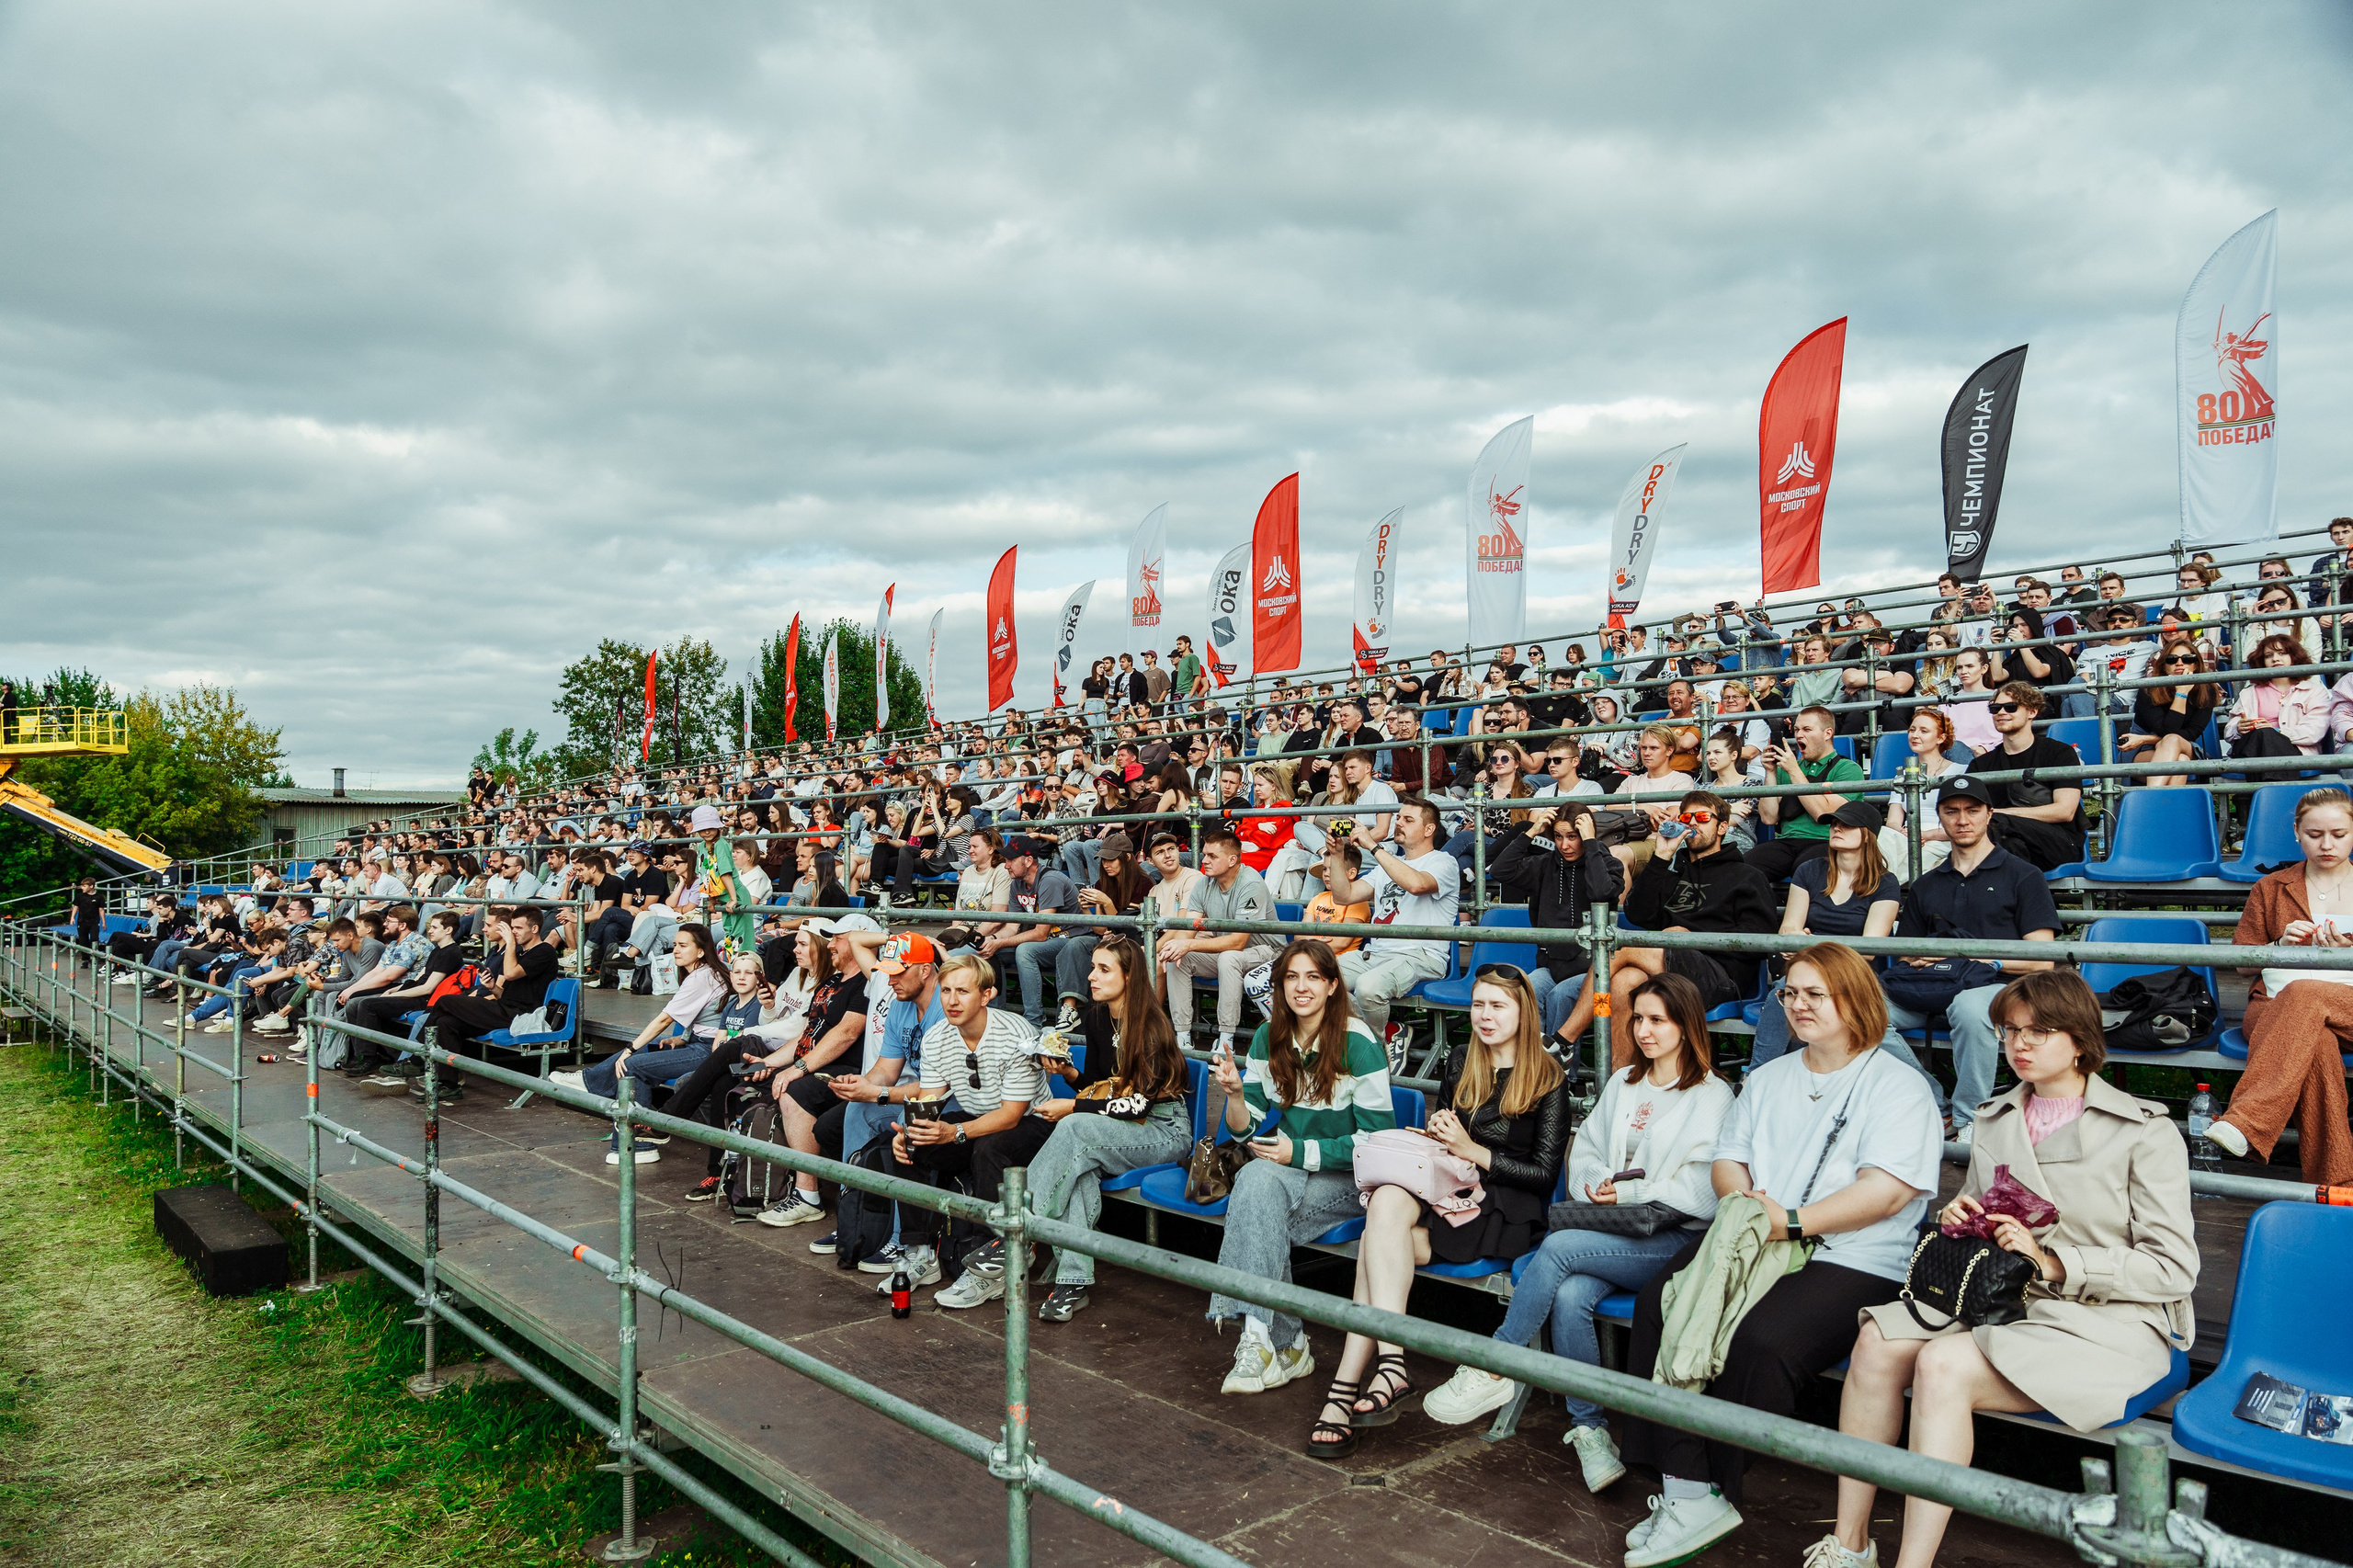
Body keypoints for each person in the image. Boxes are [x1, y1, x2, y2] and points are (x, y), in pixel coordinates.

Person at [1827, 970, 2196, 1568]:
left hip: (2112, 1320)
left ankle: (1911, 1565)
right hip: (2004, 1300)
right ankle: (1849, 1542)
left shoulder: (2144, 1132)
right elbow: (1985, 1223)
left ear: (2080, 1039)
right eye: (2010, 1030)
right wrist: (1960, 1217)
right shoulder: (1996, 1117)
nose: (2019, 1043)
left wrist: (2051, 1261)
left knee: (1942, 1365)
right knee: (1875, 1342)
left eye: (2040, 1031)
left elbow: (2172, 1270)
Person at [1615, 943, 1943, 1566]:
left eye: (1814, 994)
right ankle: (1684, 1490)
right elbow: (1727, 1160)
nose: (1797, 1005)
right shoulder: (1769, 1077)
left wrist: (1790, 1221)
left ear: (1855, 999)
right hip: (1755, 1235)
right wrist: (1744, 1203)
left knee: (1760, 1339)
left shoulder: (1898, 1086)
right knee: (1663, 1301)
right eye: (1790, 993)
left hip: (1853, 1255)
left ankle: (1716, 1484)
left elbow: (1888, 1190)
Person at [1421, 971, 1733, 1494]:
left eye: (1658, 1020)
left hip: (1677, 1240)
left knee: (1559, 1247)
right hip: (1610, 1227)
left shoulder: (1711, 1094)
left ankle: (1497, 1362)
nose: (1645, 1030)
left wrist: (1629, 1193)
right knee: (1568, 1296)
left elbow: (1704, 1187)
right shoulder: (1625, 1082)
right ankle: (1590, 1430)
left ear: (1687, 1025)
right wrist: (1598, 1186)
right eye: (1638, 1019)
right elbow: (1583, 1152)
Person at [1307, 964, 1569, 1458]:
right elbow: (1446, 1146)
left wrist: (1470, 1148)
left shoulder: (1548, 1078)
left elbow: (1544, 1176)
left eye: (1498, 1006)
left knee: (1373, 1244)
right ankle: (1390, 1364)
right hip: (1449, 1190)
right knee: (1384, 1201)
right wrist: (1436, 1137)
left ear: (1524, 1012)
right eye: (1478, 1005)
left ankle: (1345, 1392)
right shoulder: (1460, 1058)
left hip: (1504, 1207)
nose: (1485, 1016)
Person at [1204, 939, 1396, 1394]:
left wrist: (1301, 1153)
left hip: (1351, 1176)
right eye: (1291, 977)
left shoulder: (1360, 1042)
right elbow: (1245, 1130)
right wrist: (1234, 1095)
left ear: (1333, 985)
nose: (1301, 987)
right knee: (1257, 1188)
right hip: (1288, 1168)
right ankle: (1268, 1342)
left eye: (1313, 977)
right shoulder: (1268, 1037)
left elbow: (1377, 1144)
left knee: (1256, 1205)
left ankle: (1279, 1345)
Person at [1007, 937, 1196, 1322]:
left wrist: (1074, 1106)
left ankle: (1017, 1230)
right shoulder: (1096, 1017)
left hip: (1163, 1128)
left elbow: (1138, 1104)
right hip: (1118, 1126)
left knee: (1076, 1128)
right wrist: (1068, 1073)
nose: (1091, 977)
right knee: (1079, 1172)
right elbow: (1095, 1083)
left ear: (1129, 976)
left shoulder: (1152, 1026)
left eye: (1104, 969)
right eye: (1092, 967)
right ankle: (1073, 1283)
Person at [1883, 776, 2059, 1140]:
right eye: (1951, 811)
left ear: (1989, 815)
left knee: (1968, 1007)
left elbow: (2043, 962)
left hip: (2003, 988)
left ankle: (1969, 1121)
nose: (1962, 820)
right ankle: (1935, 1104)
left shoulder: (2023, 875)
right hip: (1936, 985)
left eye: (1972, 810)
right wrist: (1916, 961)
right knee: (1854, 1009)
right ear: (1941, 820)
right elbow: (1905, 954)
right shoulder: (1927, 884)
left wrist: (1988, 963)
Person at [877, 952, 1052, 1293]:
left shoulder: (1016, 1033)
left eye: (963, 992)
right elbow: (929, 1100)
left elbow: (1011, 1115)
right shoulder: (937, 1037)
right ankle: (920, 1254)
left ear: (986, 995)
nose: (952, 1001)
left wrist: (954, 1132)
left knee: (988, 1148)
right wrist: (911, 1132)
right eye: (945, 991)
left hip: (1035, 1123)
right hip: (976, 1118)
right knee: (913, 1144)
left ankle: (994, 1261)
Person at [1554, 791, 1774, 1062]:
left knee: (1623, 947)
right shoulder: (1672, 872)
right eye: (1686, 817)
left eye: (1703, 817)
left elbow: (1759, 940)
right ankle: (1618, 1082)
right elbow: (1637, 914)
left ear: (1722, 828)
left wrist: (1691, 938)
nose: (1693, 823)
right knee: (1624, 983)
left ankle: (1565, 1038)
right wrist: (1661, 856)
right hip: (1667, 965)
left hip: (1720, 977)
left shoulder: (1748, 877)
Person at [2204, 789, 2353, 1183]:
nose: (2326, 844)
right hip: (2274, 1007)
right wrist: (2277, 946)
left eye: (2339, 834)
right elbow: (2239, 965)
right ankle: (2337, 1186)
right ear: (2296, 833)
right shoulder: (2271, 888)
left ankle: (2247, 1122)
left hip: (2347, 1004)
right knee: (2315, 1042)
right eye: (2314, 834)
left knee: (2304, 992)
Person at [1749, 801, 1903, 1068]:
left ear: (1868, 834)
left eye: (1846, 824)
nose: (1836, 829)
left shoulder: (1884, 882)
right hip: (1808, 970)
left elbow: (1868, 949)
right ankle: (1759, 1078)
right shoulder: (1809, 870)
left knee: (1792, 996)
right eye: (1834, 824)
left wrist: (1811, 944)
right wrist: (1792, 938)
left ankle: (1757, 1077)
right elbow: (1789, 929)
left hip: (1854, 975)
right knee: (1785, 994)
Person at [1315, 797, 1460, 1071]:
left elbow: (1417, 884)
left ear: (1429, 830)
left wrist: (1372, 845)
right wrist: (1335, 856)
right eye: (1399, 817)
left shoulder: (1444, 861)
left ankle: (1374, 1051)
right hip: (1377, 954)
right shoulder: (1386, 865)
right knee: (1318, 977)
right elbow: (1344, 895)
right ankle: (1389, 1031)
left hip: (1421, 955)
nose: (1399, 823)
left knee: (1369, 987)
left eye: (1408, 819)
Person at [1491, 801, 1623, 1049]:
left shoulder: (1607, 864)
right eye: (1559, 836)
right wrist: (1530, 832)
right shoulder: (1545, 864)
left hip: (1595, 970)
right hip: (1552, 966)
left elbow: (1601, 893)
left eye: (1573, 836)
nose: (1565, 845)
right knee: (1524, 991)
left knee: (1560, 996)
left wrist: (1592, 843)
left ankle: (1561, 1077)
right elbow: (1500, 870)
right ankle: (1532, 1068)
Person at [419, 905, 563, 1103]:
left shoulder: (544, 951)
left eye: (518, 928)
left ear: (535, 929)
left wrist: (510, 943)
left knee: (445, 1001)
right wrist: (493, 987)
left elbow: (512, 974)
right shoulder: (521, 953)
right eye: (512, 928)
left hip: (518, 1015)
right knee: (445, 1022)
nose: (513, 932)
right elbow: (508, 993)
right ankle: (449, 1084)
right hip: (505, 1008)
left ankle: (416, 1056)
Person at [1159, 827, 1280, 1052]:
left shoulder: (1250, 883)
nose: (1204, 861)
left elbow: (1238, 942)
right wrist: (1179, 947)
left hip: (1268, 955)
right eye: (1204, 854)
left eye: (1212, 856)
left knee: (1228, 958)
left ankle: (1226, 1041)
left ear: (1232, 859)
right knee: (1178, 959)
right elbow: (1189, 929)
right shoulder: (1204, 883)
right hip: (1229, 954)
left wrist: (1189, 945)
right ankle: (1183, 1037)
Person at [1971, 682, 2086, 871]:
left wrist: (2000, 814)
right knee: (2010, 846)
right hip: (2007, 843)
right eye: (1995, 708)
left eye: (2011, 707)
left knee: (1996, 829)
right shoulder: (1981, 764)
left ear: (2032, 712)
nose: (2001, 712)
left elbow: (2065, 811)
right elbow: (1971, 813)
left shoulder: (2059, 752)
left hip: (2059, 843)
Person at [1747, 708, 1866, 881]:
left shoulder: (1848, 769)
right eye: (1796, 730)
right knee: (1745, 870)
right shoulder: (1786, 768)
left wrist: (1794, 770)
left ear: (1827, 733)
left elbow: (1823, 814)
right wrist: (1771, 772)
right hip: (1787, 841)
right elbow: (1769, 818)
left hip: (1825, 841)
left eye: (1807, 730)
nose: (1799, 735)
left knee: (1806, 871)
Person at [2120, 641, 2218, 788]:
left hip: (2185, 744)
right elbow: (2166, 731)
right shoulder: (2149, 689)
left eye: (2187, 658)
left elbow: (2191, 733)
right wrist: (2182, 693)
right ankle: (2168, 807)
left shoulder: (2207, 689)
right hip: (2143, 752)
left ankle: (2152, 794)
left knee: (2173, 741)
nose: (2180, 663)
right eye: (2172, 660)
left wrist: (2145, 739)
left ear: (2196, 664)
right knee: (2181, 760)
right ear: (2164, 666)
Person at [2222, 633, 2330, 758]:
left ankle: (2261, 776)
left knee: (2265, 734)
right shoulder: (2249, 693)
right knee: (2260, 736)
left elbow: (2314, 732)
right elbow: (2228, 732)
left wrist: (2276, 732)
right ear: (2262, 662)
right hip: (2251, 747)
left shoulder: (2314, 691)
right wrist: (2238, 728)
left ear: (2294, 657)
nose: (2275, 659)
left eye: (2282, 653)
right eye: (2269, 656)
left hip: (2294, 750)